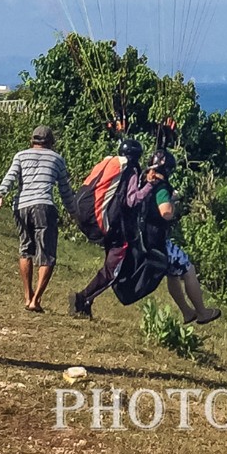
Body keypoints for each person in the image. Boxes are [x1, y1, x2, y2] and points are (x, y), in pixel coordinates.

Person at [0, 124, 72, 312]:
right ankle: (36, 300)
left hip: (21, 206)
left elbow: (11, 176)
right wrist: (73, 211)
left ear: (32, 140)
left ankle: (27, 296)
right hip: (44, 206)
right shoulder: (57, 159)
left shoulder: (21, 155)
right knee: (47, 254)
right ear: (51, 142)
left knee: (25, 249)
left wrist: (0, 193)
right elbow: (65, 190)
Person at [140, 149, 220, 325]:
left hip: (144, 238)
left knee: (173, 274)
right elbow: (166, 213)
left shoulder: (143, 180)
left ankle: (187, 312)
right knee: (188, 269)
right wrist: (173, 202)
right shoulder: (161, 187)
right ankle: (202, 312)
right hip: (157, 240)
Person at [70, 135, 143, 318]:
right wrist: (150, 186)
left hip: (82, 214)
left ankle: (86, 302)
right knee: (112, 270)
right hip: (108, 224)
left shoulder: (108, 162)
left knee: (111, 265)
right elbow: (131, 200)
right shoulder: (130, 170)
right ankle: (83, 299)